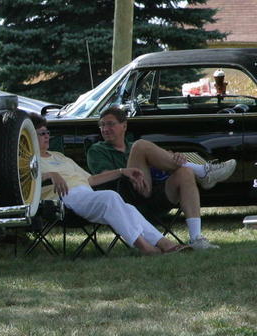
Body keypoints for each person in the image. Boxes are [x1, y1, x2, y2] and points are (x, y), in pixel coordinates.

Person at [32, 114, 188, 255]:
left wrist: (122, 171)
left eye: (47, 133)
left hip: (86, 194)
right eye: (42, 133)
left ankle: (165, 244)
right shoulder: (28, 160)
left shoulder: (60, 157)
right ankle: (145, 247)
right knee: (110, 197)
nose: (47, 136)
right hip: (63, 199)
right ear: (31, 136)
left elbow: (91, 180)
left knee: (129, 208)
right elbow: (24, 181)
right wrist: (51, 174)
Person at [86, 105, 234, 250]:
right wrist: (123, 171)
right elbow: (103, 177)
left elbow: (161, 168)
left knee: (185, 172)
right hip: (126, 199)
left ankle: (196, 239)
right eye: (102, 125)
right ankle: (202, 171)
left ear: (124, 126)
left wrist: (174, 159)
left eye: (110, 124)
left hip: (153, 196)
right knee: (140, 145)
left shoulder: (133, 147)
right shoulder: (97, 150)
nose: (105, 129)